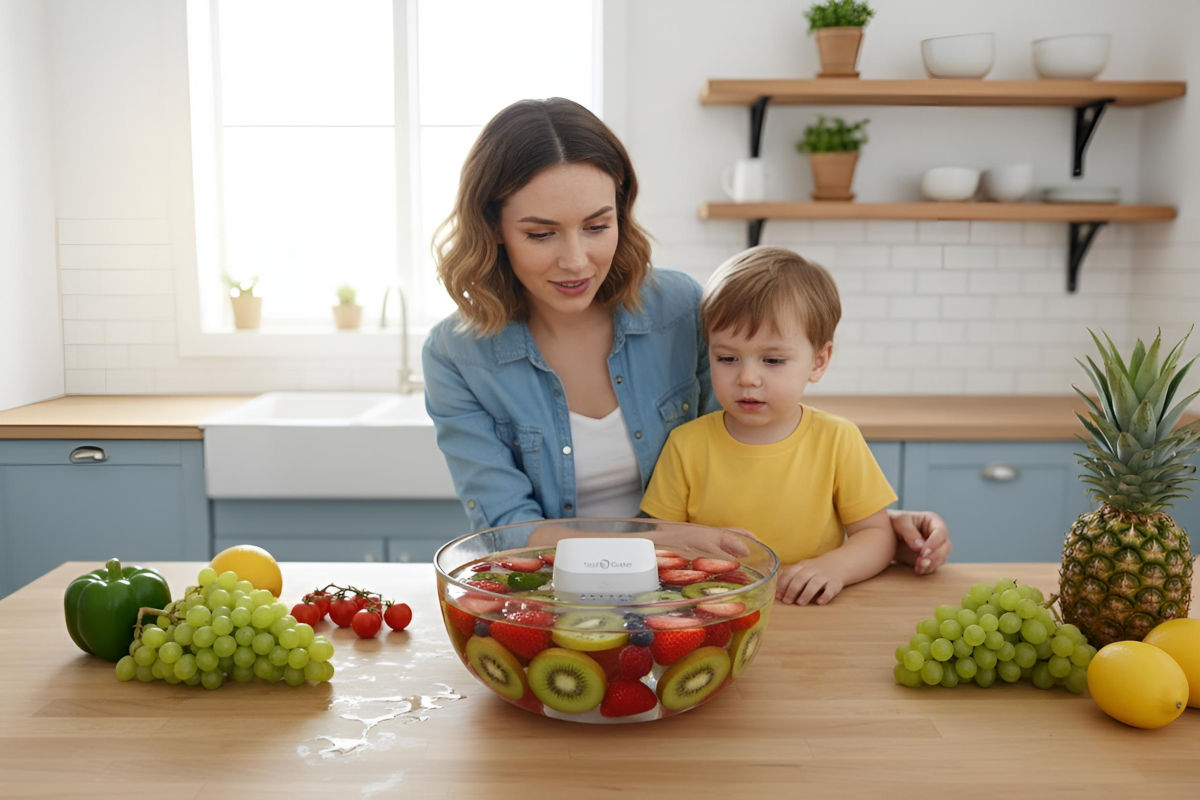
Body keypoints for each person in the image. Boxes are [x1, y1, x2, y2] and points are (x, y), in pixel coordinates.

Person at [421, 97, 950, 574]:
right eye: (541, 234)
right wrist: (659, 539)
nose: (576, 260)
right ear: (492, 228)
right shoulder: (457, 356)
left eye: (598, 226)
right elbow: (509, 535)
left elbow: (738, 448)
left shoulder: (677, 309)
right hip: (550, 589)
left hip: (688, 585)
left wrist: (870, 524)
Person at [641, 246, 901, 605]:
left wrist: (834, 568)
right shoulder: (686, 444)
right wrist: (693, 541)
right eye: (727, 358)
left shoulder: (838, 439)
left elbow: (876, 535)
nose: (748, 378)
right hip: (716, 607)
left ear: (819, 361)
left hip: (810, 610)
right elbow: (655, 535)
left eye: (773, 360)